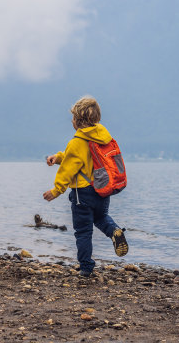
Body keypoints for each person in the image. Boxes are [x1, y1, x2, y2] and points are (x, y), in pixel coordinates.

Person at [43, 96, 128, 277]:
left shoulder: (77, 141)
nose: (72, 121)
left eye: (73, 118)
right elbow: (73, 157)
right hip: (102, 189)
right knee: (101, 217)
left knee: (83, 232)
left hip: (83, 193)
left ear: (78, 121)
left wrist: (56, 190)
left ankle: (86, 267)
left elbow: (69, 169)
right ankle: (115, 231)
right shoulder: (103, 137)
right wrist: (58, 157)